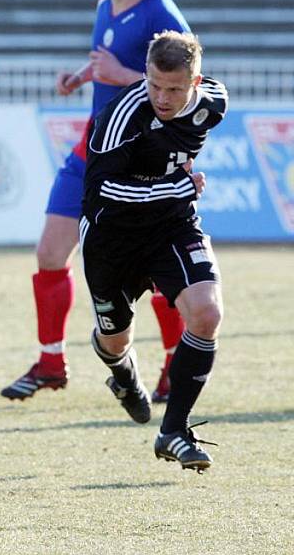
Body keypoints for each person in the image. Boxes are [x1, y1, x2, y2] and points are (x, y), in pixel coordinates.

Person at [2, 0, 190, 403]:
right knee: (48, 253)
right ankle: (50, 361)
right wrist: (85, 75)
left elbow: (185, 92)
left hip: (138, 160)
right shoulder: (107, 3)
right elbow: (109, 61)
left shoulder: (161, 15)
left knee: (151, 270)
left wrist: (124, 74)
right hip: (93, 147)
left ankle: (174, 363)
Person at [81, 30, 226, 471]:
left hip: (171, 226)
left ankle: (174, 431)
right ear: (145, 75)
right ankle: (123, 375)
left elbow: (181, 148)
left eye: (175, 89)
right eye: (154, 85)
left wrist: (178, 181)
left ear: (195, 82)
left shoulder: (212, 104)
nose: (162, 97)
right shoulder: (121, 116)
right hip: (112, 238)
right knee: (114, 337)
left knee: (207, 313)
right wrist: (177, 183)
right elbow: (99, 191)